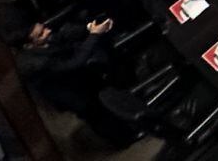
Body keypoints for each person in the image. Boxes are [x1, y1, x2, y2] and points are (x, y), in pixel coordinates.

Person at [13, 16, 132, 145]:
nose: (47, 31)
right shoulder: (35, 63)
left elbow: (63, 37)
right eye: (41, 34)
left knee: (106, 101)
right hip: (69, 94)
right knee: (97, 114)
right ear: (29, 45)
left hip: (75, 81)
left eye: (44, 28)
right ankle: (124, 139)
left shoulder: (42, 43)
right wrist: (94, 35)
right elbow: (74, 63)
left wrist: (88, 28)